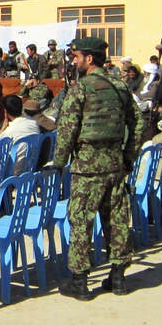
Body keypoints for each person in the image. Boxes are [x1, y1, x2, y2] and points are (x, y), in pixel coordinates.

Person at [54, 37, 139, 300]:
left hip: (86, 169)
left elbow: (67, 131)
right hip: (114, 165)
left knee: (81, 221)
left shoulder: (80, 89)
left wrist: (58, 163)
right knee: (117, 221)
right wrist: (127, 158)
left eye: (76, 56)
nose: (73, 61)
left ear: (89, 59)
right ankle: (118, 279)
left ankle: (80, 283)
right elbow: (137, 124)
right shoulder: (120, 87)